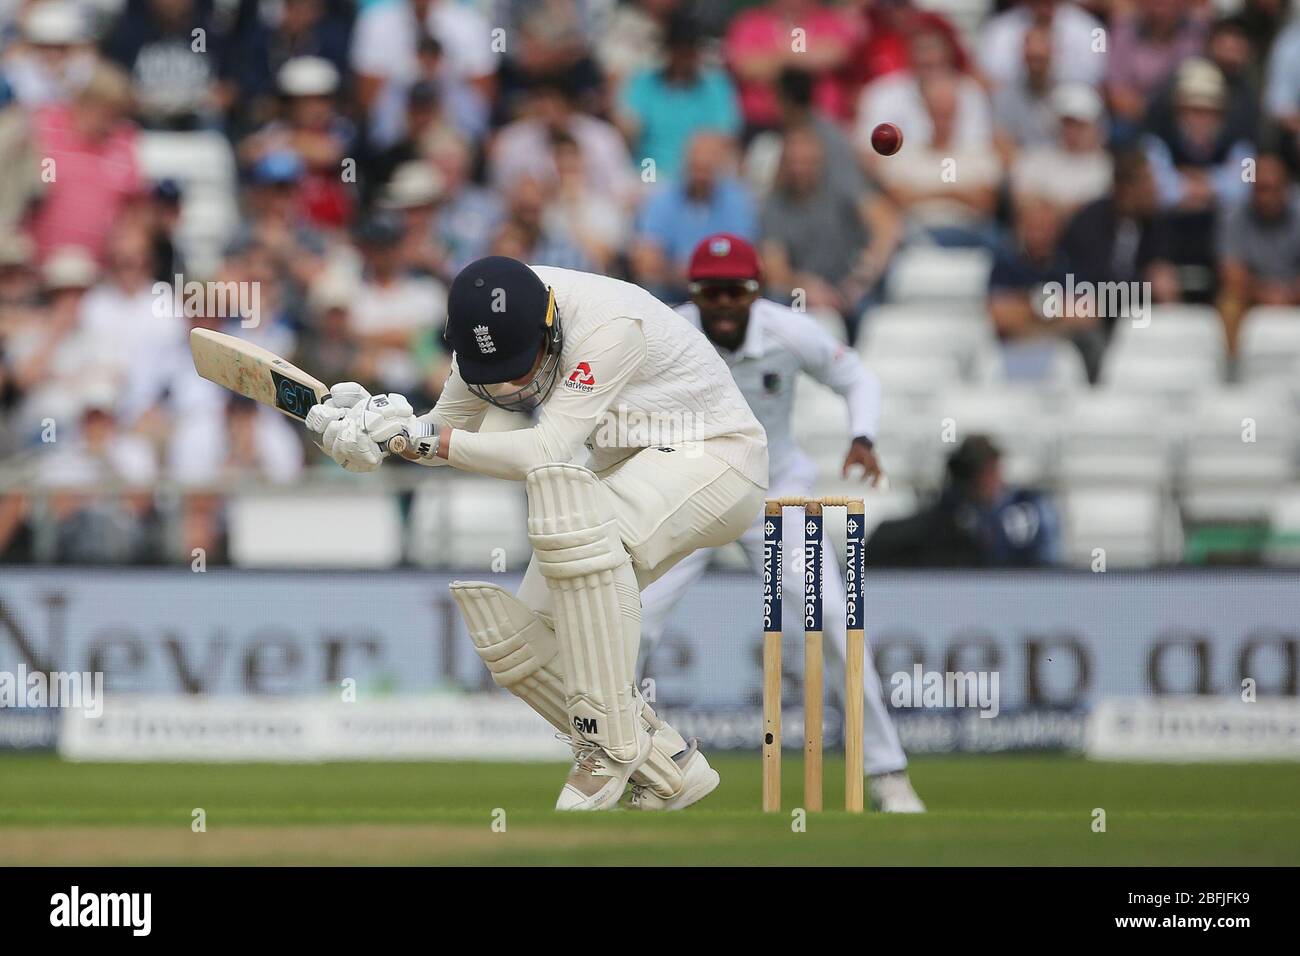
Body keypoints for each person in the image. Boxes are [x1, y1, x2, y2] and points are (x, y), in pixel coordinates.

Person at [305, 255, 769, 812]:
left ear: (548, 321)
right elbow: (440, 431)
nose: (513, 381)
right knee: (519, 645)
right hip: (627, 468)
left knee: (581, 519)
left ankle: (609, 746)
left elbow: (545, 450)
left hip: (719, 458)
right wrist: (375, 431)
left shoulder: (608, 327)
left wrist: (426, 441)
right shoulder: (484, 333)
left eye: (521, 364)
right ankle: (670, 767)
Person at [637, 233, 925, 813]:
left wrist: (862, 436)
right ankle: (632, 768)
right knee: (631, 623)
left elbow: (857, 378)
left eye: (733, 291)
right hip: (691, 492)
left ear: (756, 291)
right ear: (693, 291)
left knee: (835, 626)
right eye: (709, 291)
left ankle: (887, 771)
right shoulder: (668, 332)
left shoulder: (788, 330)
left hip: (775, 494)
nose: (721, 303)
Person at [867, 435, 1059, 568]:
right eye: (991, 474)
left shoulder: (1010, 520)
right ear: (974, 478)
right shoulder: (946, 526)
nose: (999, 482)